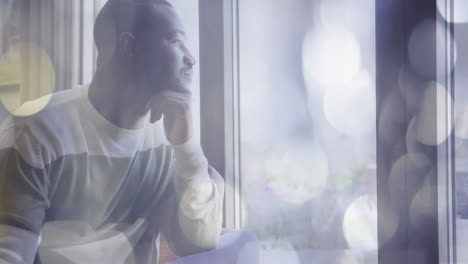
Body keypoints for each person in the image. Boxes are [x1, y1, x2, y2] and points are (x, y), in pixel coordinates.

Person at [0, 0, 225, 263]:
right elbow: (10, 255)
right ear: (130, 47)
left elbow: (199, 242)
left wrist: (188, 148)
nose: (191, 58)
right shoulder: (37, 131)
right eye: (175, 41)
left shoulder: (168, 141)